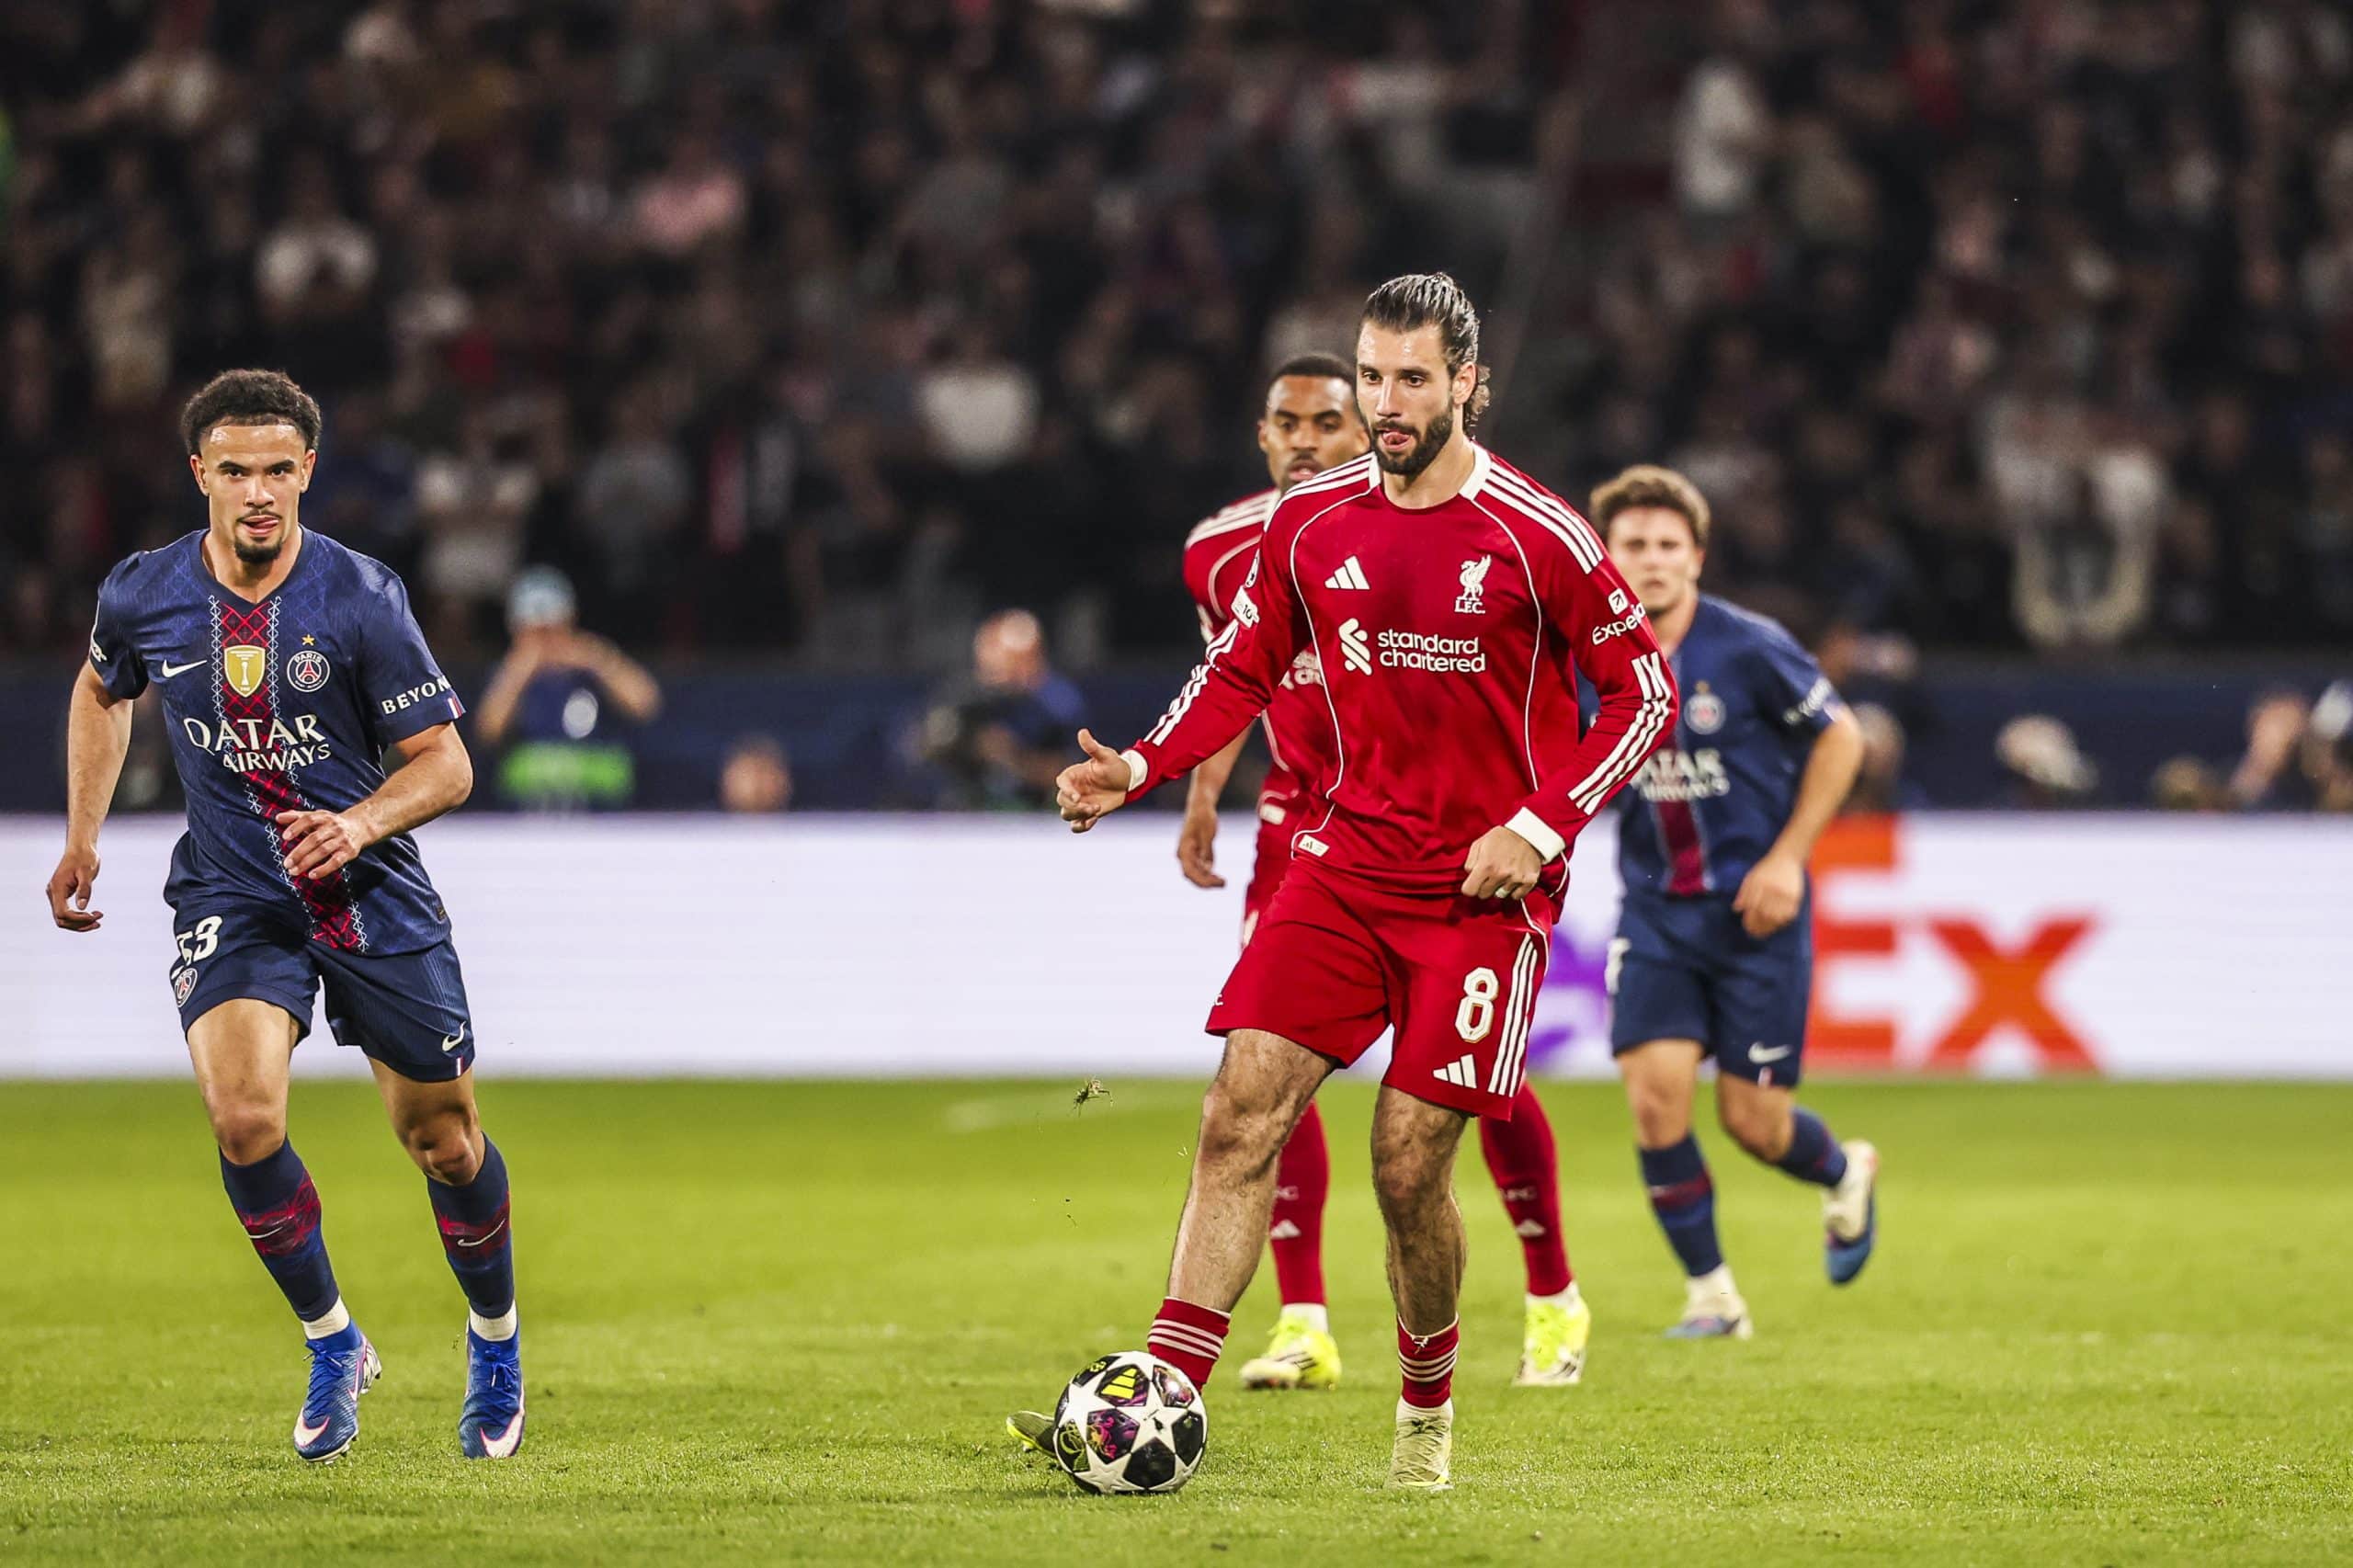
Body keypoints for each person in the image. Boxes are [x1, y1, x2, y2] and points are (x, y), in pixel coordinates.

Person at [1017, 275, 1675, 1490]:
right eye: (1372, 376)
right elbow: (1241, 665)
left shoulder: (1538, 534)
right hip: (1343, 866)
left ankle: (1425, 1408)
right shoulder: (1311, 522)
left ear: (1468, 383)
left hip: (1482, 897)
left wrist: (1539, 826)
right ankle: (1161, 1396)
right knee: (1238, 1112)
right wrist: (1146, 764)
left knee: (1407, 1166)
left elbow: (1645, 695)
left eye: (1412, 379)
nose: (1385, 402)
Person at [44, 369, 524, 1463]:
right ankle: (332, 1338)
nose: (257, 491)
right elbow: (101, 687)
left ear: (307, 471)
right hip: (234, 891)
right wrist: (83, 834)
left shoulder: (360, 596)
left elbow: (446, 762)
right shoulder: (145, 591)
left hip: (366, 891)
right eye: (234, 470)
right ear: (199, 475)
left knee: (444, 1141)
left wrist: (356, 824)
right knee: (245, 1120)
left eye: (276, 469)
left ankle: (495, 1340)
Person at [1177, 352, 1592, 1393]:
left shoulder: (1442, 526)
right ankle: (1302, 1318)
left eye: (1329, 420)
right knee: (1262, 1078)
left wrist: (1535, 823)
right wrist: (1197, 791)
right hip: (1305, 830)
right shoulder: (1222, 549)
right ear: (1261, 435)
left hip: (1444, 842)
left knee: (1452, 1103)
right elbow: (1237, 672)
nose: (1308, 439)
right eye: (1289, 423)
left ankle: (1551, 1290)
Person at [1588, 463, 1876, 1341]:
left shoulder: (1748, 647)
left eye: (1667, 545)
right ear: (1606, 555)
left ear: (1697, 558)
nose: (1651, 560)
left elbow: (1842, 736)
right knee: (1655, 1100)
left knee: (1754, 1123)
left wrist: (1788, 859)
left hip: (1758, 915)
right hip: (1656, 913)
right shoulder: (1584, 655)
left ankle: (1843, 1170)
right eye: (1633, 544)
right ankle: (1712, 1297)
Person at [473, 566, 663, 811]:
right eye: (534, 632)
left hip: (601, 808)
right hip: (529, 810)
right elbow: (487, 731)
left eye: (553, 630)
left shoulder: (592, 667)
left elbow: (645, 704)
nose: (546, 642)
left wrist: (599, 660)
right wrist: (518, 672)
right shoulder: (509, 675)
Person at [914, 609, 1084, 810]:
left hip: (1034, 811)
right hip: (969, 810)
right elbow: (922, 749)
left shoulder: (1057, 702)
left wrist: (1012, 757)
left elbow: (1072, 772)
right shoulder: (963, 697)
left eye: (1022, 659)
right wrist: (969, 744)